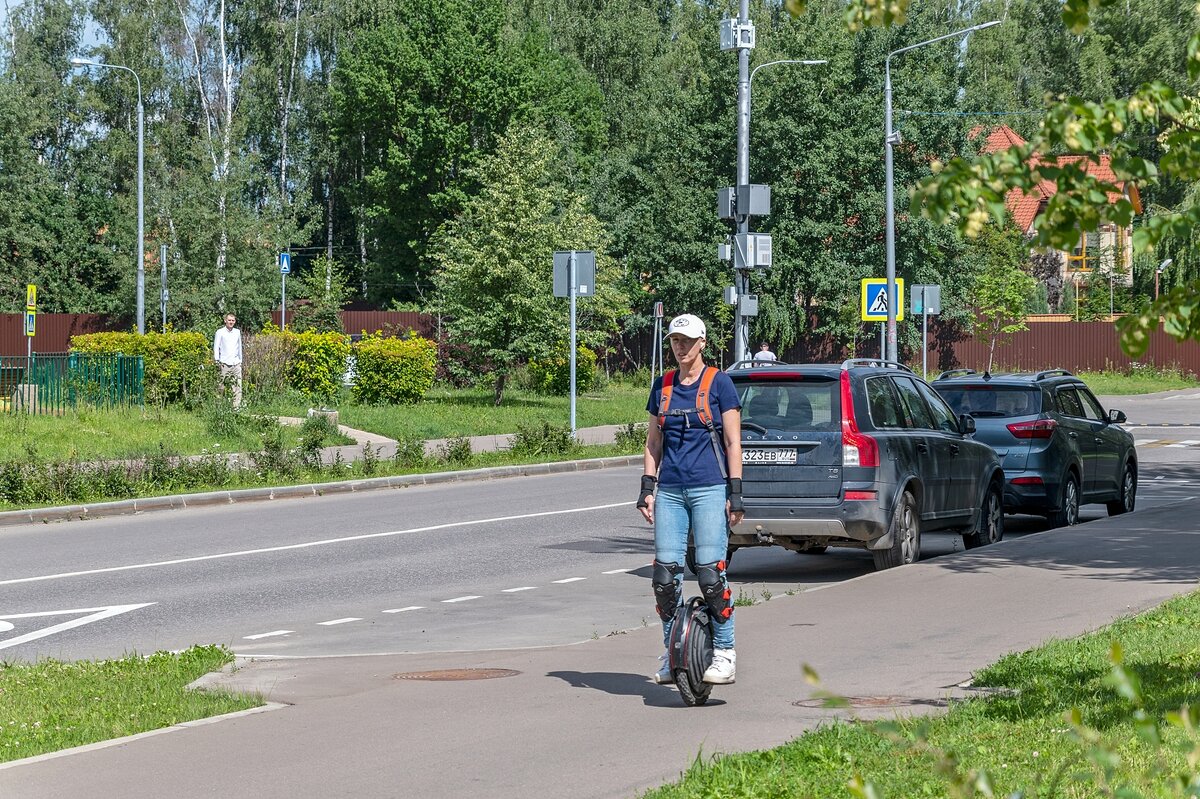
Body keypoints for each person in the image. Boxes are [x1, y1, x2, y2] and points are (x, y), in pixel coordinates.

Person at [637, 313, 743, 685]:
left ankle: (725, 652)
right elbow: (653, 443)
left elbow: (733, 442)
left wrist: (736, 492)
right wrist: (647, 488)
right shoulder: (662, 386)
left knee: (711, 574)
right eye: (674, 341)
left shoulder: (720, 384)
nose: (679, 347)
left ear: (702, 343)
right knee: (664, 577)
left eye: (686, 341)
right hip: (670, 491)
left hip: (709, 488)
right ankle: (671, 652)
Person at [213, 312, 243, 409]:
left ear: (235, 321)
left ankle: (236, 409)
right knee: (221, 386)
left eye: (233, 320)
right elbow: (216, 347)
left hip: (236, 363)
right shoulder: (220, 332)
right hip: (224, 363)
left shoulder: (237, 332)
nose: (231, 322)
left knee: (237, 387)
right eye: (229, 320)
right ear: (225, 321)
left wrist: (240, 360)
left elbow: (239, 347)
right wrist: (217, 360)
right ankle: (219, 407)